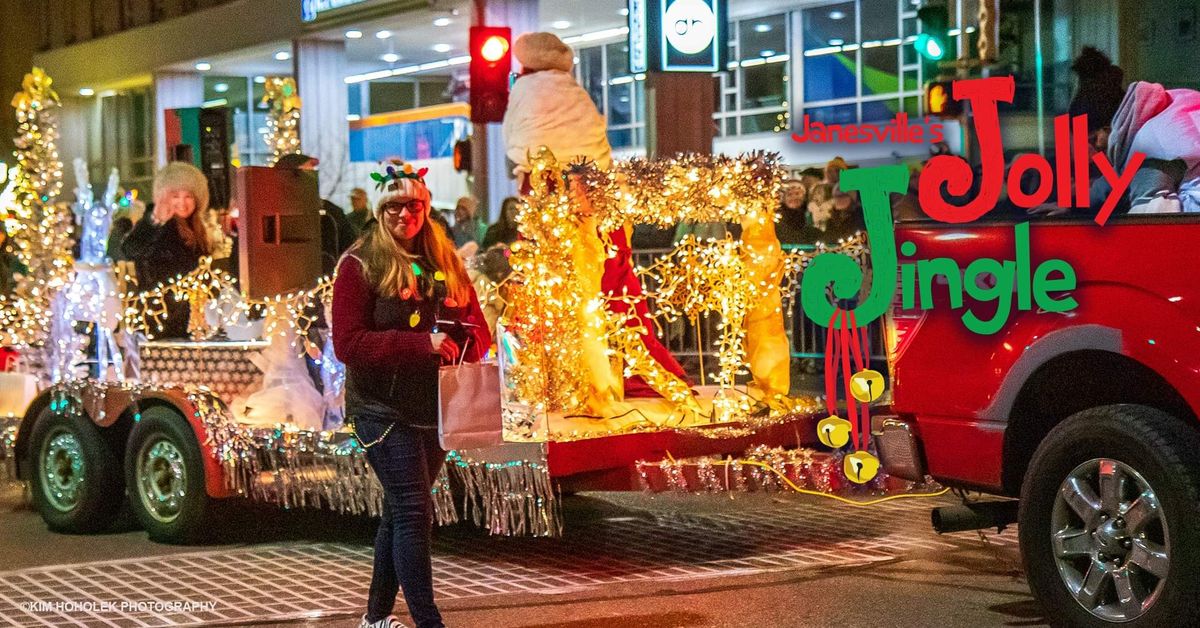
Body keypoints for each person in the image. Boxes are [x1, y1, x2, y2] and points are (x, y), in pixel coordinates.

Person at [332, 162, 489, 628]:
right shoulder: (359, 265)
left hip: (436, 407)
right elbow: (348, 344)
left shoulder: (446, 262)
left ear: (426, 207)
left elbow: (478, 328)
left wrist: (463, 342)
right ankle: (429, 622)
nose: (405, 214)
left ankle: (376, 619)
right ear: (381, 211)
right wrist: (419, 344)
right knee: (414, 511)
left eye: (414, 205)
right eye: (395, 206)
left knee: (398, 513)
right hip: (381, 409)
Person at [501, 31, 691, 398]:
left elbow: (518, 146)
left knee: (553, 287)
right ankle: (629, 368)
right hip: (598, 198)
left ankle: (565, 377)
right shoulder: (574, 92)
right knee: (615, 285)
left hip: (551, 199)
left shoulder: (525, 92)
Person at [121, 162, 212, 339]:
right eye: (175, 196)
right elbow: (130, 248)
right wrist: (155, 221)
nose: (182, 203)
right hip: (159, 319)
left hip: (191, 320)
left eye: (188, 196)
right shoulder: (158, 222)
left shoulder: (196, 228)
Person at [274, 153, 356, 275]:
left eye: (313, 174)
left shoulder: (330, 212)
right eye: (305, 174)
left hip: (326, 284)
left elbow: (351, 247)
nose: (311, 180)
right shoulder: (267, 211)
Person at [774, 179, 810, 246]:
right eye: (789, 195)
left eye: (797, 193)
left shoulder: (810, 214)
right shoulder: (777, 219)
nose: (794, 197)